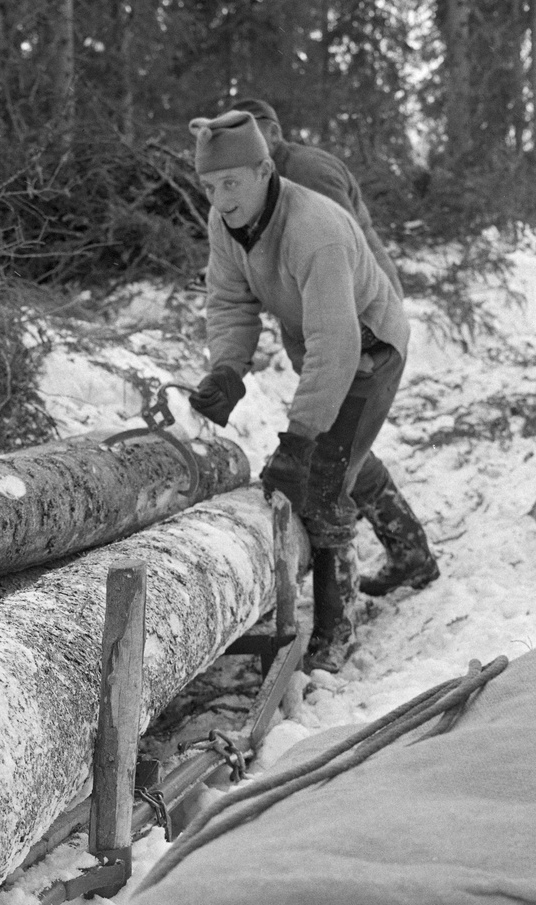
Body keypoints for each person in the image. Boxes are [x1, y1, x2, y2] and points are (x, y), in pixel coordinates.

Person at [186, 110, 438, 671]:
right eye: (209, 185)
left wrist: (299, 442)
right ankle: (413, 556)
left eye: (230, 183)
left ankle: (334, 632)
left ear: (264, 170)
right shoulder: (226, 223)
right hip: (327, 345)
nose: (220, 198)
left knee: (323, 478)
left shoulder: (313, 230)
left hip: (370, 348)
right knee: (346, 456)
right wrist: (227, 370)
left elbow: (338, 345)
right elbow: (230, 302)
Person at [230, 97, 403, 297]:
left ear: (274, 134)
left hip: (365, 299)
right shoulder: (266, 176)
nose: (236, 147)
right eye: (230, 140)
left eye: (246, 135)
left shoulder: (307, 173)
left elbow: (343, 252)